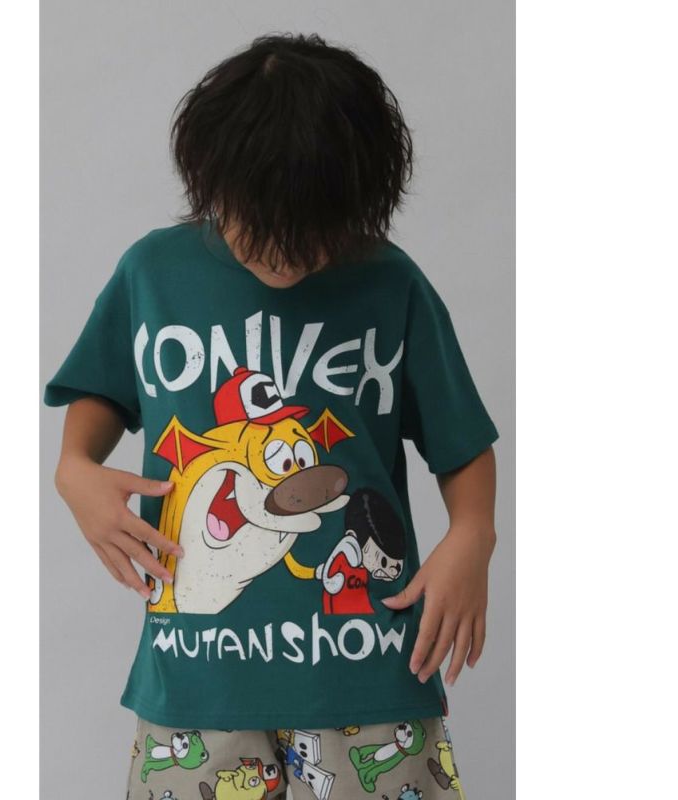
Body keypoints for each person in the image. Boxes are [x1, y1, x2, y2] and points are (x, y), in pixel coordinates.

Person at [45, 32, 498, 800]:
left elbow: (461, 441)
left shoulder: (390, 284)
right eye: (261, 227)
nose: (286, 259)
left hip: (365, 671)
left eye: (313, 235)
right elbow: (102, 390)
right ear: (211, 182)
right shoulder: (154, 273)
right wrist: (74, 470)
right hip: (197, 677)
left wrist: (474, 535)